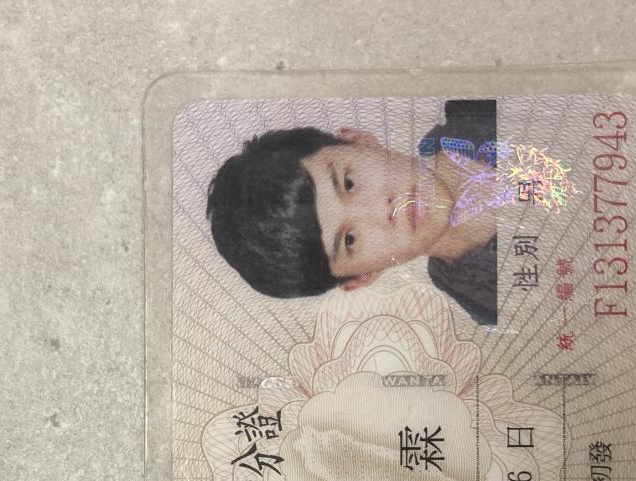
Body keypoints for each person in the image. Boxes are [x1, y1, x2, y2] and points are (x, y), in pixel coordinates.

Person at [206, 100, 499, 324]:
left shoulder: (485, 105)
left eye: (349, 183)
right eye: (350, 240)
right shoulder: (483, 302)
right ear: (362, 276)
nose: (382, 211)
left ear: (360, 141)